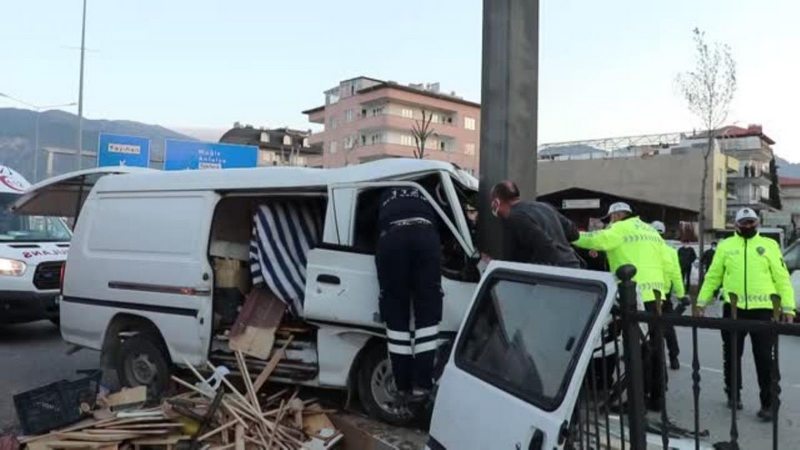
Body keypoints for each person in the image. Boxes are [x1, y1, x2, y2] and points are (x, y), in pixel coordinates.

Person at [697, 208, 795, 421]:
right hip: (733, 310)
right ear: (736, 225)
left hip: (763, 311)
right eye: (744, 223)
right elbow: (713, 276)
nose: (748, 226)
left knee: (764, 359)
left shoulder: (769, 245)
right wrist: (701, 302)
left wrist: (788, 307)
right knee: (731, 355)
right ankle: (733, 394)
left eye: (752, 222)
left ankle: (768, 403)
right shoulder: (725, 246)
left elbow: (782, 278)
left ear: (757, 223)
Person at [572, 202, 671, 411]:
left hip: (634, 297)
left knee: (637, 351)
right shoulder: (650, 231)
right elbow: (668, 263)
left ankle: (637, 402)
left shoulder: (619, 229)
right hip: (656, 297)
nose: (609, 224)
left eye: (609, 220)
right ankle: (657, 398)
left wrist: (571, 234)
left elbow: (595, 240)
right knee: (655, 351)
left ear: (616, 215)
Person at [374, 186, 443, 404]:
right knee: (428, 313)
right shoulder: (425, 192)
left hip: (392, 240)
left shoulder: (381, 193)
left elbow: (367, 228)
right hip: (425, 237)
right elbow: (444, 226)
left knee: (395, 313)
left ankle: (402, 386)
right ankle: (422, 385)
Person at [489, 180, 583, 268]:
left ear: (496, 203)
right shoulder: (545, 207)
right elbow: (574, 233)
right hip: (573, 267)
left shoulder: (515, 218)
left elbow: (546, 247)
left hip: (554, 276)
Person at [651, 221, 686, 371]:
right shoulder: (670, 251)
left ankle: (655, 359)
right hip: (664, 295)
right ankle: (674, 357)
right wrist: (681, 295)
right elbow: (676, 275)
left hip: (649, 295)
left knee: (651, 330)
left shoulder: (646, 250)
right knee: (669, 329)